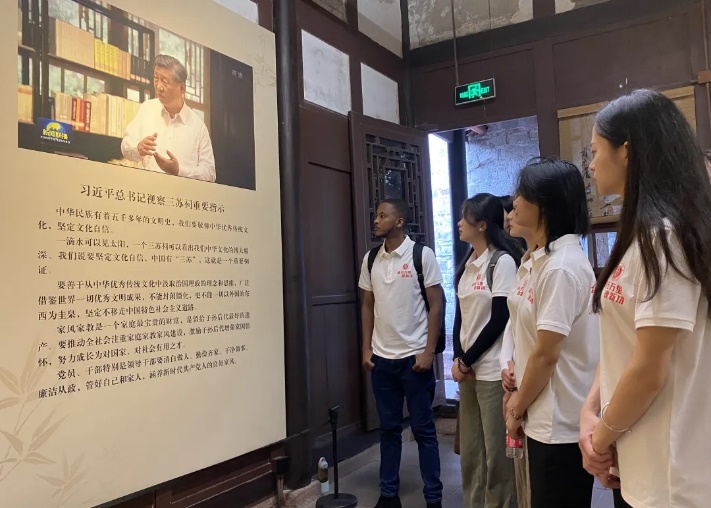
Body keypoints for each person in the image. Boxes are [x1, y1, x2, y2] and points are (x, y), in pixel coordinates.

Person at [579, 89, 711, 508]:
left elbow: (650, 370)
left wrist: (599, 439)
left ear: (627, 151)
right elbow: (624, 343)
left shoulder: (666, 237)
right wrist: (591, 410)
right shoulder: (641, 234)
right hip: (637, 457)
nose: (590, 164)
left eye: (595, 150)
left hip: (671, 476)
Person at [504, 157, 599, 508]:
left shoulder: (561, 267)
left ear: (545, 204)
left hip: (559, 421)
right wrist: (513, 372)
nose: (513, 203)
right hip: (540, 410)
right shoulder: (537, 260)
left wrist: (516, 408)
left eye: (522, 194)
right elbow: (526, 332)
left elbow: (547, 354)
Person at [359, 199, 444, 508]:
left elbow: (436, 304)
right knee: (389, 430)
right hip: (382, 360)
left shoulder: (421, 255)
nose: (376, 220)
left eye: (382, 215)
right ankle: (388, 494)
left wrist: (429, 351)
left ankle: (433, 497)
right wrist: (366, 347)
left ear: (399, 221)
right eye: (376, 214)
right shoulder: (371, 258)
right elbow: (367, 304)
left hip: (415, 360)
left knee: (424, 431)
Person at [451, 193, 524, 508]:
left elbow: (499, 320)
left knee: (496, 455)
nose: (459, 223)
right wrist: (459, 359)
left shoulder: (502, 261)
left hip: (492, 370)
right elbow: (461, 317)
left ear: (482, 225)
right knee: (471, 452)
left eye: (464, 217)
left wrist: (466, 361)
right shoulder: (469, 262)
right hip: (469, 371)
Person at [121, 54, 216, 182]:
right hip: (147, 190)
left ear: (182, 88)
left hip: (181, 193)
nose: (158, 86)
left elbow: (209, 173)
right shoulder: (147, 108)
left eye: (165, 81)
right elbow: (125, 145)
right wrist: (138, 148)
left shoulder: (198, 127)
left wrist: (179, 171)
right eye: (156, 78)